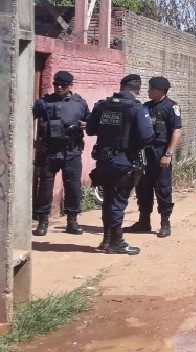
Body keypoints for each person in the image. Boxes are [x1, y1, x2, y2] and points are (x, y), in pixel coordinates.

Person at [85, 74, 155, 255]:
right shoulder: (137, 108)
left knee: (108, 199)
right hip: (123, 161)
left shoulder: (102, 105)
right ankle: (116, 242)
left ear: (121, 86)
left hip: (103, 160)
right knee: (117, 201)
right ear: (138, 90)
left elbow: (90, 129)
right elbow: (147, 136)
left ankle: (107, 239)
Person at [31, 70, 91, 236]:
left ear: (71, 85)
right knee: (45, 187)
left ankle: (72, 221)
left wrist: (86, 125)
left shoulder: (80, 103)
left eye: (63, 85)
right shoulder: (43, 103)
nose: (58, 87)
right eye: (56, 84)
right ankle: (42, 221)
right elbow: (24, 120)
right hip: (50, 151)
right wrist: (34, 143)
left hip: (72, 152)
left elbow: (90, 121)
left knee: (73, 187)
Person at [130, 76, 182, 238]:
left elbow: (176, 131)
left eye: (151, 89)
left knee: (163, 188)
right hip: (144, 153)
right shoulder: (145, 107)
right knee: (142, 187)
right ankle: (144, 221)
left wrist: (168, 153)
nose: (148, 91)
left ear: (161, 91)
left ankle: (165, 223)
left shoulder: (170, 107)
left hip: (161, 152)